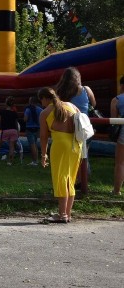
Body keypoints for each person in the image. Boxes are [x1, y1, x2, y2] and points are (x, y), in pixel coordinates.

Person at [38, 87, 81, 223]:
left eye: (42, 101)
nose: (42, 104)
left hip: (60, 144)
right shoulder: (71, 106)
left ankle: (61, 214)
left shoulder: (45, 112)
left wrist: (43, 154)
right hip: (76, 143)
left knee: (61, 178)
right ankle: (67, 213)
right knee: (70, 179)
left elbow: (44, 137)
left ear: (45, 98)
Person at [55, 67, 96, 194]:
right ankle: (82, 179)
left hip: (68, 127)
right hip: (84, 126)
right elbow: (93, 104)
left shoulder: (61, 92)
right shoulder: (86, 89)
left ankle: (69, 181)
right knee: (84, 154)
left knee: (69, 156)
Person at [0, 96, 21, 164]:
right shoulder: (14, 113)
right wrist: (17, 132)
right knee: (12, 146)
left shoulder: (2, 112)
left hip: (5, 130)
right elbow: (16, 123)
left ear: (6, 103)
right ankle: (10, 161)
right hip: (14, 130)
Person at [110, 76, 124, 195]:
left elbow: (114, 121)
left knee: (120, 162)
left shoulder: (116, 100)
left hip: (123, 132)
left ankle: (117, 190)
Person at [24, 96, 43, 166]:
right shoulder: (40, 110)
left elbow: (25, 119)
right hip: (37, 128)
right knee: (34, 144)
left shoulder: (28, 110)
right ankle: (36, 160)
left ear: (30, 102)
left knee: (32, 145)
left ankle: (34, 161)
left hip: (29, 128)